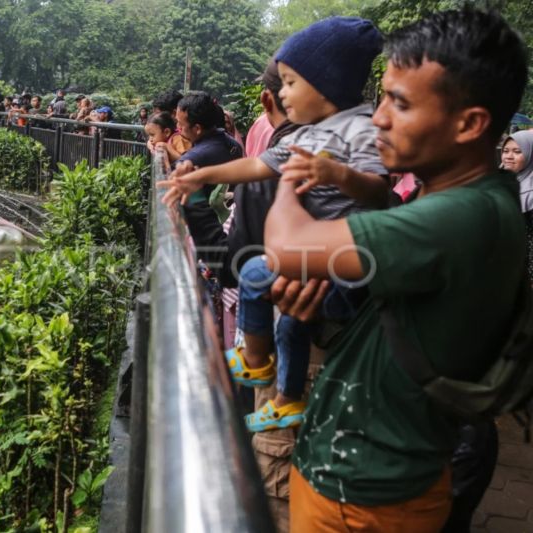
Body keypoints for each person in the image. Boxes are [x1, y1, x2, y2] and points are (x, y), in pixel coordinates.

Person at [253, 9, 526, 531]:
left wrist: (295, 164)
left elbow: (286, 247)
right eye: (381, 98)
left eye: (399, 103)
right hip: (368, 477)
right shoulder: (467, 197)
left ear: (469, 124)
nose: (377, 118)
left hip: (364, 498)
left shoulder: (457, 216)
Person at [162, 17, 388, 433]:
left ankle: (256, 360)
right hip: (316, 263)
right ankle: (280, 391)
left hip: (342, 268)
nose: (283, 94)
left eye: (291, 83)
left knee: (253, 273)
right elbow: (256, 165)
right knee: (289, 322)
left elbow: (379, 192)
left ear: (328, 84)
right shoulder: (312, 136)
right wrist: (199, 177)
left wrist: (339, 176)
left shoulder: (359, 131)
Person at [502, 130, 533, 282]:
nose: (508, 156)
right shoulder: (496, 184)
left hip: (522, 274)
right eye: (506, 151)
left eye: (517, 151)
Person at [151, 89, 192, 157]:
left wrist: (167, 147)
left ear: (174, 113)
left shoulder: (183, 134)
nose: (155, 118)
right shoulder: (170, 130)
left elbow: (185, 161)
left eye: (158, 114)